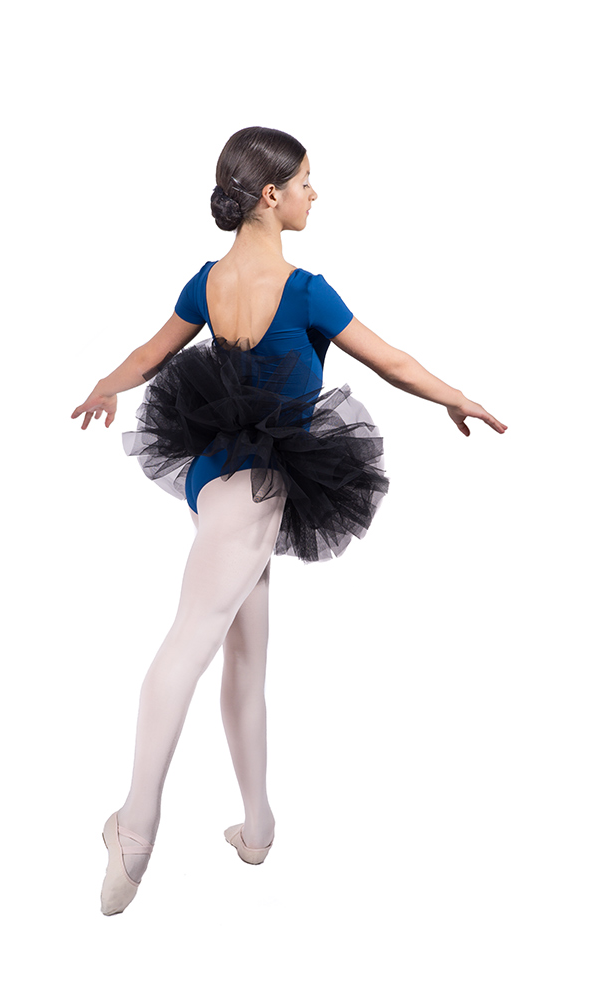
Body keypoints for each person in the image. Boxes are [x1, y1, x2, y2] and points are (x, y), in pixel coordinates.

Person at [71, 126, 507, 916]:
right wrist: (456, 397)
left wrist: (107, 384)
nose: (315, 193)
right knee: (190, 643)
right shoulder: (305, 290)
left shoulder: (208, 281)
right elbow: (391, 361)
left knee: (246, 650)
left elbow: (150, 353)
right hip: (258, 486)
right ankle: (134, 830)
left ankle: (258, 827)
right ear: (270, 195)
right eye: (306, 181)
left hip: (215, 476)